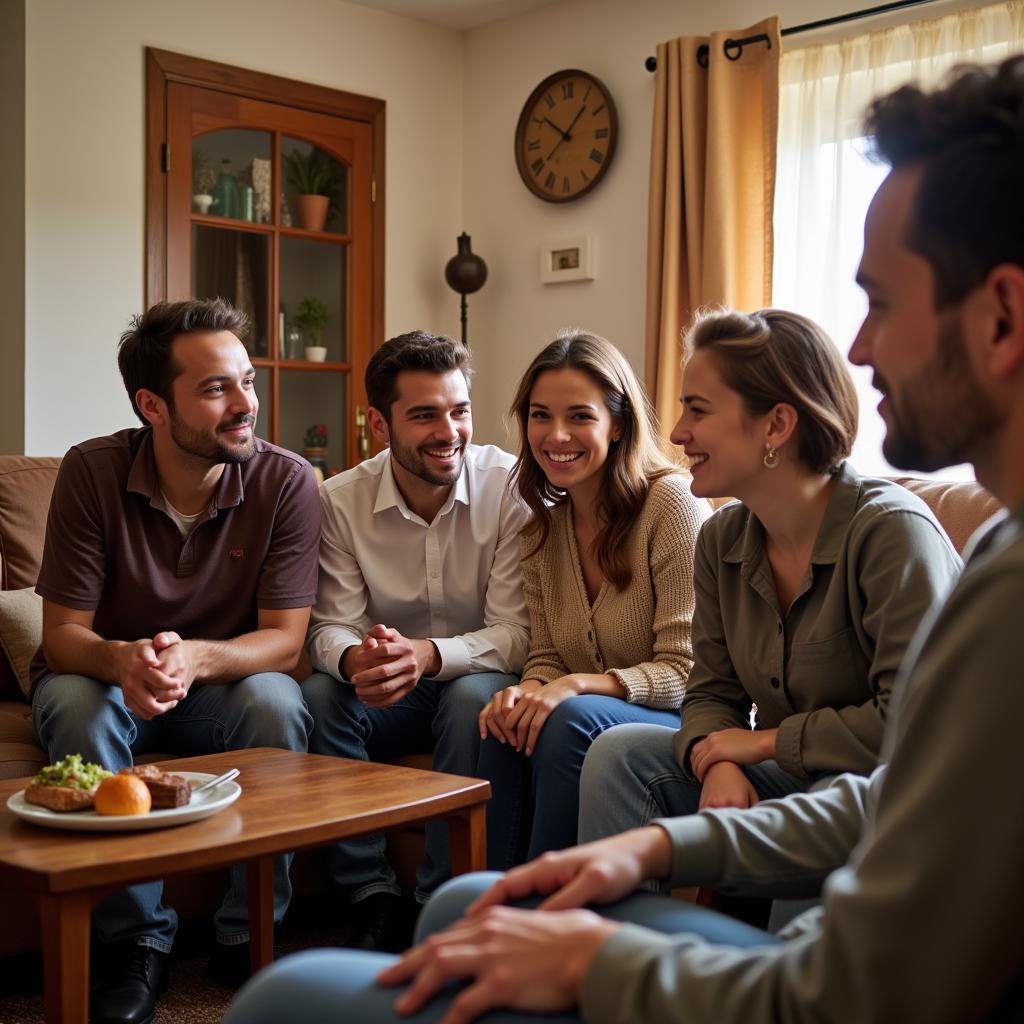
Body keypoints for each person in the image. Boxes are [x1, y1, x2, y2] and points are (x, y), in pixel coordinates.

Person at [224, 56, 1024, 1023]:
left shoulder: (924, 556)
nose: (858, 349)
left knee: (287, 1001)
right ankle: (404, 893)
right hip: (786, 902)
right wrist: (655, 843)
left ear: (1003, 314)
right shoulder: (728, 537)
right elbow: (888, 791)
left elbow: (851, 973)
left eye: (882, 302)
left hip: (809, 975)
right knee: (468, 894)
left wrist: (597, 967)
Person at [30, 298, 320, 1022]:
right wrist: (124, 660)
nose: (245, 404)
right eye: (218, 388)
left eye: (248, 382)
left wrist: (191, 658)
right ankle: (138, 942)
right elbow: (63, 635)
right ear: (153, 405)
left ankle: (248, 929)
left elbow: (284, 641)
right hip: (109, 688)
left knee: (279, 699)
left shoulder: (286, 482)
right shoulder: (92, 472)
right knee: (71, 700)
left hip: (216, 694)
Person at [578, 307, 960, 853]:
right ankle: (606, 937)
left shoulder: (890, 533)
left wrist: (762, 745)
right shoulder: (720, 539)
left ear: (777, 426)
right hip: (782, 772)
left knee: (831, 794)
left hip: (879, 787)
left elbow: (916, 719)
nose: (679, 432)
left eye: (698, 410)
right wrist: (716, 759)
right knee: (619, 754)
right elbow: (709, 691)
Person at [302, 330, 530, 951]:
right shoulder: (339, 502)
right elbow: (329, 627)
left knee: (472, 697)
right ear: (380, 423)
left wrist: (428, 656)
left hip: (469, 680)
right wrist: (357, 661)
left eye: (459, 411)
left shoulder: (510, 489)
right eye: (424, 414)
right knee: (323, 698)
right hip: (387, 696)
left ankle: (440, 898)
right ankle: (370, 892)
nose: (447, 430)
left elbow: (516, 633)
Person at [476, 330, 710, 868]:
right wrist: (530, 690)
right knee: (504, 724)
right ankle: (490, 904)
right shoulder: (541, 530)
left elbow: (688, 669)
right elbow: (547, 654)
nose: (556, 435)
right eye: (540, 416)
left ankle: (544, 914)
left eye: (579, 416)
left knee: (569, 717)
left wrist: (576, 686)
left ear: (619, 423)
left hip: (681, 717)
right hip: (589, 713)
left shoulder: (670, 504)